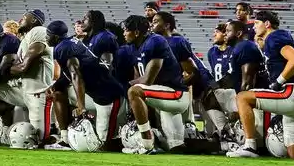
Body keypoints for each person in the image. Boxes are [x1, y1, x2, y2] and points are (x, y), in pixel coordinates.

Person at [228, 10, 294, 159]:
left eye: (257, 23)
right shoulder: (272, 39)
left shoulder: (275, 37)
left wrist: (278, 81)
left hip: (290, 92)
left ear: (267, 24)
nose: (254, 27)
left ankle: (250, 146)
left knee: (242, 98)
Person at [0, 10, 54, 148]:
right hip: (22, 87)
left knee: (38, 140)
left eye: (24, 17)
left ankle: (60, 138)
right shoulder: (25, 37)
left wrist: (2, 72)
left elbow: (23, 67)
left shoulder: (39, 31)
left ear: (34, 20)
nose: (20, 20)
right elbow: (17, 67)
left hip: (38, 90)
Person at [45, 20, 126, 150]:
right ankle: (65, 140)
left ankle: (128, 143)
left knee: (102, 144)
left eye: (47, 35)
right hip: (94, 92)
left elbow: (75, 74)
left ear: (55, 37)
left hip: (107, 95)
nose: (45, 38)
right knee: (58, 94)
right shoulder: (69, 43)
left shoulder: (63, 48)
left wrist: (81, 106)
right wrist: (55, 85)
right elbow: (69, 75)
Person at [123, 14, 191, 153]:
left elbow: (147, 80)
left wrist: (126, 85)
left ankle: (146, 143)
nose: (124, 33)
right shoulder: (134, 47)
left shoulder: (155, 41)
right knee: (176, 147)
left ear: (136, 32)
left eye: (126, 30)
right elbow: (139, 77)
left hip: (175, 93)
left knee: (134, 91)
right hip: (162, 93)